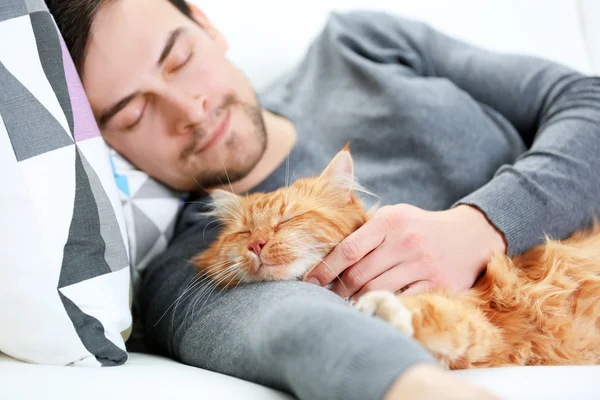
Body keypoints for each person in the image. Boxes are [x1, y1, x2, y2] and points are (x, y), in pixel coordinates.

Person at [45, 0, 600, 398]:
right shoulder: (192, 264)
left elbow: (586, 101)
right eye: (133, 113)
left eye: (178, 58)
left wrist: (484, 223)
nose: (188, 109)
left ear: (206, 25)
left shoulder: (356, 44)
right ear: (103, 142)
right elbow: (293, 331)